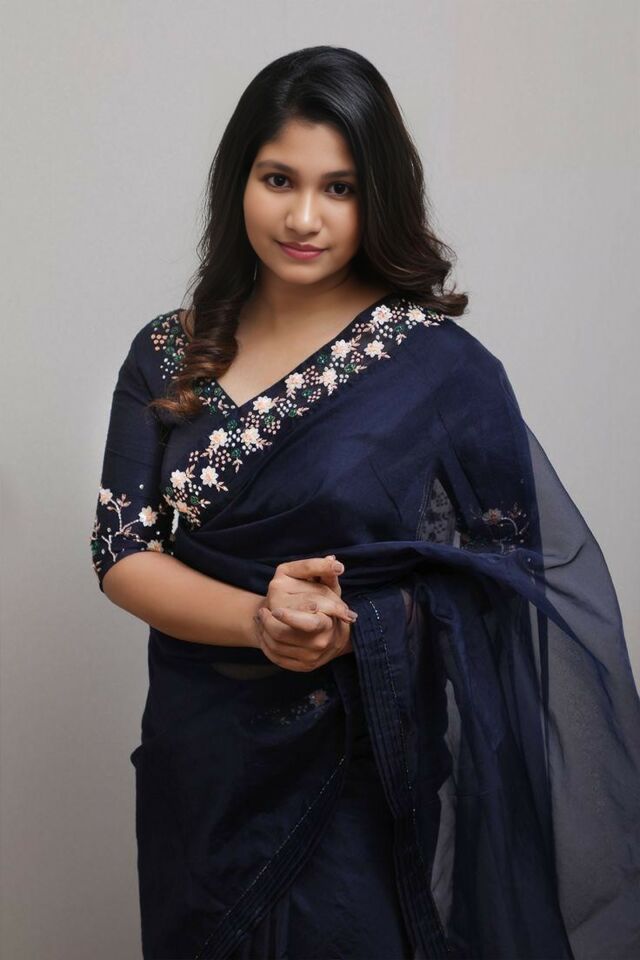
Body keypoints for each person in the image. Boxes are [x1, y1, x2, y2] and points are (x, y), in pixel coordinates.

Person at [90, 45, 640, 960]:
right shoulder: (168, 354)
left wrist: (362, 626)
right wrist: (260, 619)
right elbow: (121, 551)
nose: (304, 217)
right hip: (199, 775)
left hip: (359, 779)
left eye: (339, 188)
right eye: (279, 179)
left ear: (378, 195)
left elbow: (500, 585)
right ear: (238, 181)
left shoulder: (439, 369)